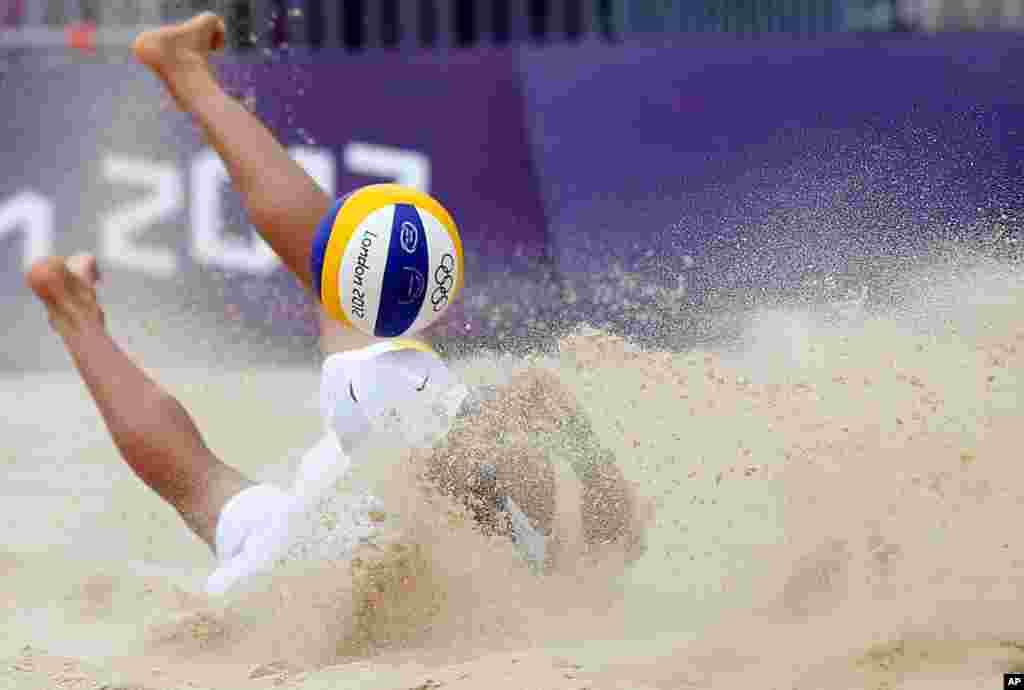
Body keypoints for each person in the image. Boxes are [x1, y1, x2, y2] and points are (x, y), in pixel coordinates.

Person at [26, 11, 647, 597]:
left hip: (311, 551)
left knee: (215, 474)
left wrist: (593, 495)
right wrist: (597, 496)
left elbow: (524, 414)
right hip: (318, 557)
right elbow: (532, 407)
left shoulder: (390, 391)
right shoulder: (413, 403)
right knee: (205, 485)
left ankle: (76, 308)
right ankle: (71, 311)